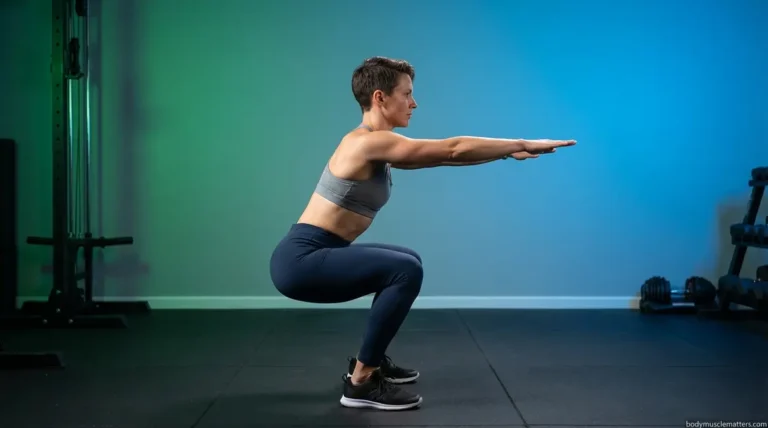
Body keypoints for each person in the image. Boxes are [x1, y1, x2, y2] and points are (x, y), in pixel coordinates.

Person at [269, 56, 576, 411]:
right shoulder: (365, 144)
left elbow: (446, 158)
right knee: (405, 270)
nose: (414, 103)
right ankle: (362, 383)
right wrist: (520, 142)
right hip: (301, 260)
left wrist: (507, 155)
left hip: (318, 251)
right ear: (381, 98)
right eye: (407, 94)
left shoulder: (377, 143)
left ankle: (371, 359)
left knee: (407, 259)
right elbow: (452, 148)